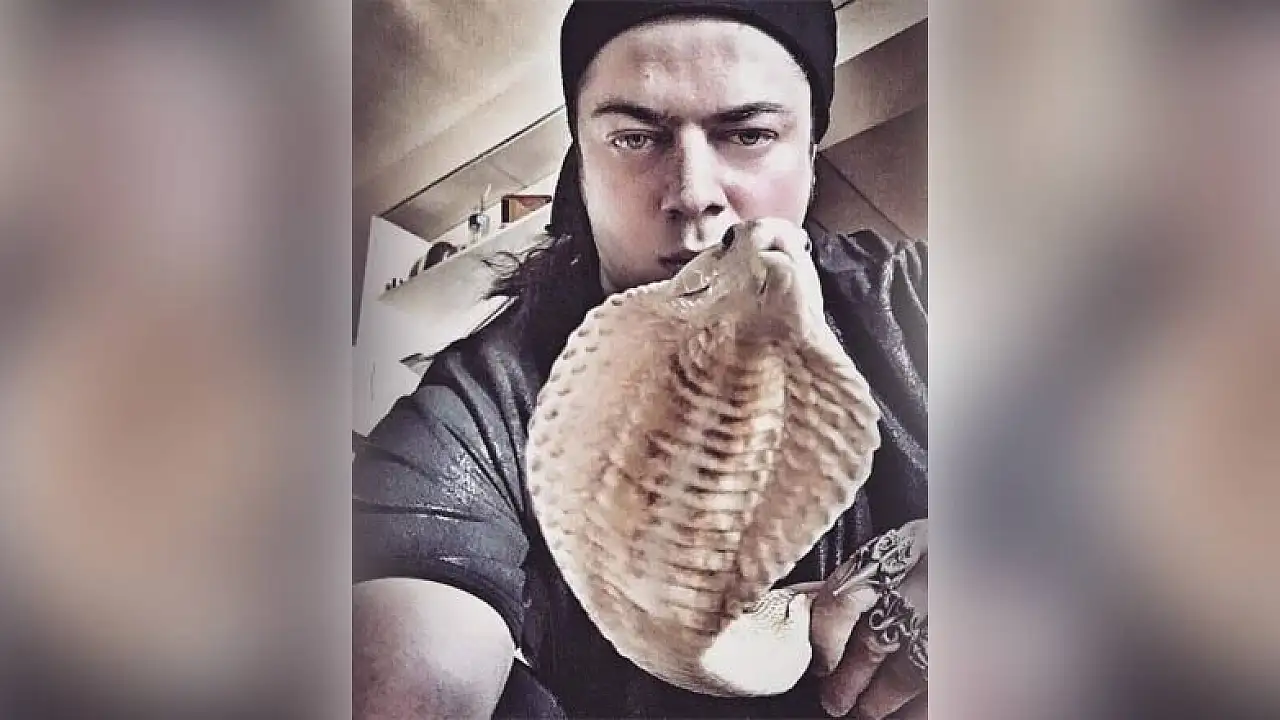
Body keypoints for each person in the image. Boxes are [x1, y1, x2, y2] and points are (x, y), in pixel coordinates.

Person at [353, 1, 927, 717]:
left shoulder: (921, 300)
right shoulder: (477, 406)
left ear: (810, 154)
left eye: (749, 134)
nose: (693, 195)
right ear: (580, 166)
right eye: (634, 137)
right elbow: (404, 668)